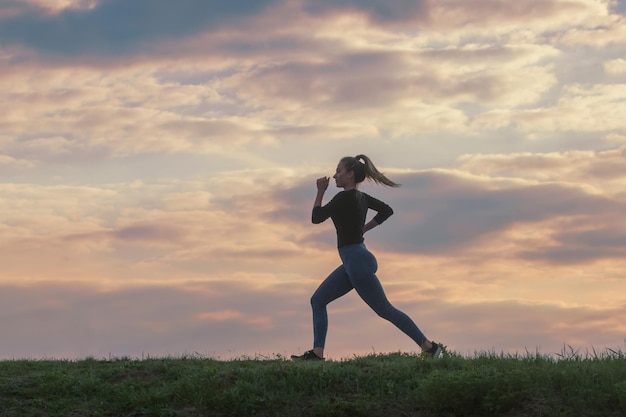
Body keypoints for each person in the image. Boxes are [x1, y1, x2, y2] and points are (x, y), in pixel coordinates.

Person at [291, 154, 441, 361]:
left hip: (357, 261)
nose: (335, 176)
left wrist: (320, 191)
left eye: (339, 171)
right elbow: (386, 211)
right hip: (355, 260)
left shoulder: (343, 197)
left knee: (385, 310)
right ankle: (317, 353)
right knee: (318, 300)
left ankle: (430, 347)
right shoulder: (361, 198)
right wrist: (364, 229)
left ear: (350, 175)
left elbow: (316, 218)